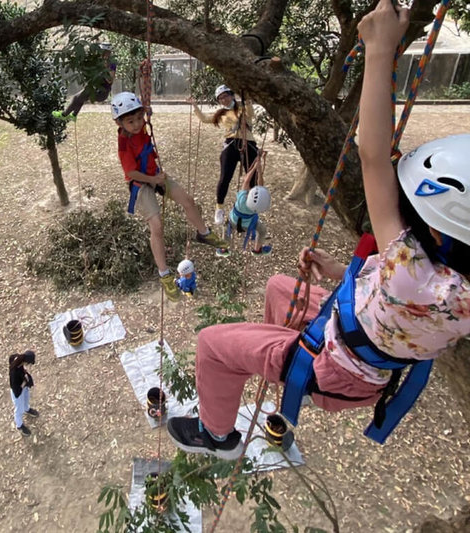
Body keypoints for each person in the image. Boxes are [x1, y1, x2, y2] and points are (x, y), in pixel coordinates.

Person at [167, 0, 470, 459]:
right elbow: (386, 304)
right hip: (372, 357)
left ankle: (217, 435)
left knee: (211, 344)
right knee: (275, 285)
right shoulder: (457, 290)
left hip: (333, 369)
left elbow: (372, 157)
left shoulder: (408, 267)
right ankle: (272, 365)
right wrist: (337, 272)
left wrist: (380, 49)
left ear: (437, 228)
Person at [112, 91, 228, 302]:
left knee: (188, 200)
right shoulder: (123, 143)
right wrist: (154, 180)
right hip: (140, 183)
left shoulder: (141, 126)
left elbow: (146, 111)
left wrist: (146, 109)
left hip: (156, 176)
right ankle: (164, 274)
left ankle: (203, 232)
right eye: (131, 121)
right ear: (119, 123)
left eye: (139, 119)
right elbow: (130, 173)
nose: (137, 124)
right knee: (156, 226)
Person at [187, 86, 260, 226]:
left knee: (253, 179)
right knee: (225, 178)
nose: (223, 100)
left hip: (248, 143)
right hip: (231, 144)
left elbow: (251, 115)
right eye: (220, 98)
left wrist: (248, 99)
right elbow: (205, 119)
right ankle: (219, 208)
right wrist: (195, 106)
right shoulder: (221, 113)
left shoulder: (243, 107)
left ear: (232, 95)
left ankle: (251, 208)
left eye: (225, 96)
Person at [223, 151, 272, 257]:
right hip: (248, 226)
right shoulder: (258, 205)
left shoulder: (241, 199)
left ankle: (224, 248)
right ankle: (257, 250)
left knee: (226, 225)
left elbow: (246, 181)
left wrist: (254, 167)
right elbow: (260, 185)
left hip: (233, 222)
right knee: (262, 230)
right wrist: (259, 169)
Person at [53, 44, 116, 121]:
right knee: (80, 98)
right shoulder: (98, 61)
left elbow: (110, 81)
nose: (100, 53)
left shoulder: (111, 64)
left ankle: (64, 115)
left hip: (101, 92)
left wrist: (105, 68)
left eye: (103, 52)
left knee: (76, 98)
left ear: (107, 53)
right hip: (94, 89)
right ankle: (73, 115)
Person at [9, 350, 38, 437]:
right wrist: (24, 383)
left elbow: (10, 358)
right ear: (25, 361)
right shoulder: (14, 373)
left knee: (26, 398)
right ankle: (19, 425)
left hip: (23, 386)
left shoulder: (16, 358)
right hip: (17, 391)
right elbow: (16, 390)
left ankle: (27, 409)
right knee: (19, 409)